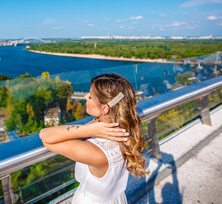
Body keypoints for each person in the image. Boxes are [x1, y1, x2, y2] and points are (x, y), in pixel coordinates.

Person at [40, 73, 148, 203]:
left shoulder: (99, 152)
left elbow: (45, 136)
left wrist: (87, 129)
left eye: (90, 96)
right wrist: (93, 127)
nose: (85, 96)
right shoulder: (123, 131)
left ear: (104, 108)